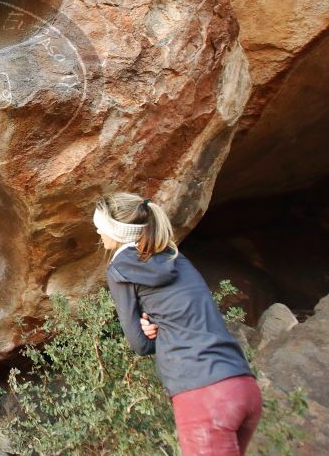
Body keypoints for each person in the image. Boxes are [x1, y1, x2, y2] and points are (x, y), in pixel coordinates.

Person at [93, 192, 261, 456]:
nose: (98, 234)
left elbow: (139, 344)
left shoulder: (120, 269)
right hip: (242, 385)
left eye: (100, 228)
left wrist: (154, 332)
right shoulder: (175, 257)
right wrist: (163, 325)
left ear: (117, 230)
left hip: (203, 394)